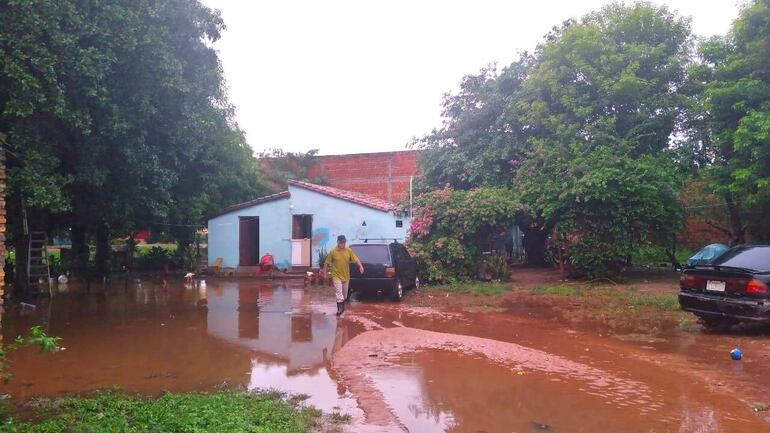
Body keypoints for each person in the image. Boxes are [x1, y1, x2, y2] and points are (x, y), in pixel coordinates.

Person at [323, 235, 364, 316]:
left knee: (344, 296)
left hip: (346, 276)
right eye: (341, 242)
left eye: (344, 242)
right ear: (338, 242)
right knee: (339, 293)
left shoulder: (348, 251)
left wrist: (360, 266)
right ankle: (339, 309)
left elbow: (356, 259)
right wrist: (325, 273)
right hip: (336, 276)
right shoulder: (333, 251)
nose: (342, 244)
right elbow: (326, 263)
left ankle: (342, 306)